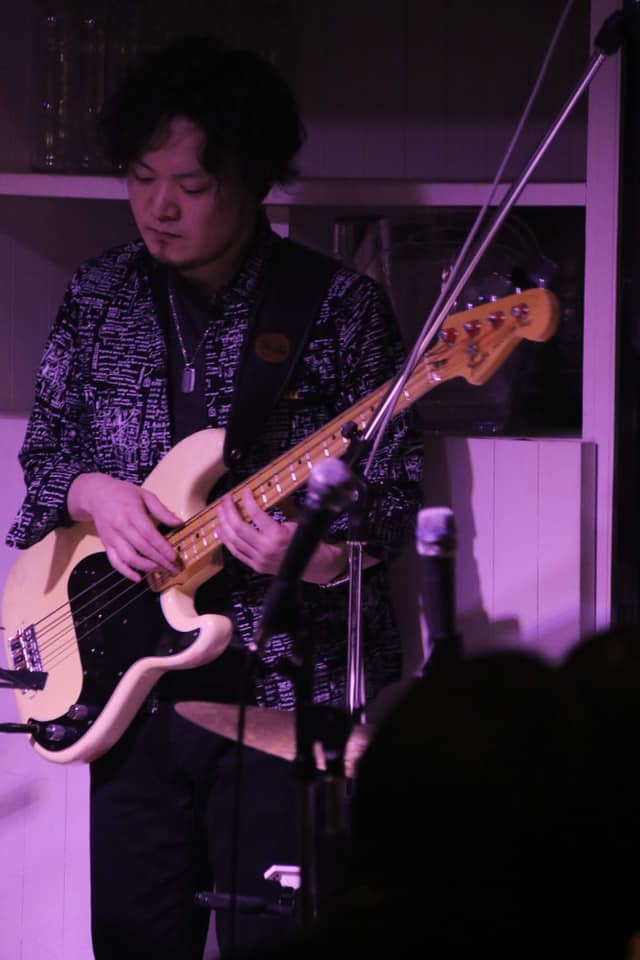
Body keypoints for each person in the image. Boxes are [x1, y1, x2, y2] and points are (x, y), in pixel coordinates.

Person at [5, 34, 424, 960]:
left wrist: (315, 557)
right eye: (140, 178)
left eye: (191, 186)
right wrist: (96, 494)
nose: (159, 208)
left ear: (254, 179)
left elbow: (392, 499)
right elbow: (47, 458)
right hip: (123, 681)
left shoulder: (340, 309)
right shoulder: (100, 293)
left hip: (280, 689)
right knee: (133, 939)